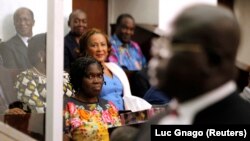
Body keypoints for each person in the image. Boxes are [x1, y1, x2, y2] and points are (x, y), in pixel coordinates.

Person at [136, 4, 250, 140]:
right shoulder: (156, 122)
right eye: (160, 43)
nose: (158, 54)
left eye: (171, 46)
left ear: (212, 61)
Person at [79, 28, 151, 112]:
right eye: (94, 45)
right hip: (102, 119)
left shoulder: (114, 67)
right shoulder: (83, 71)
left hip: (125, 116)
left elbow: (127, 97)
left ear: (108, 47)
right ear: (85, 49)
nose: (100, 49)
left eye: (103, 44)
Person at [63, 57, 121, 141]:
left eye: (99, 76)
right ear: (79, 79)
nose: (96, 81)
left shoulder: (110, 106)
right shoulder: (67, 107)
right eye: (90, 76)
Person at [15, 33, 73, 113]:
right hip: (42, 123)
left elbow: (74, 102)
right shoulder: (26, 78)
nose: (59, 54)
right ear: (41, 54)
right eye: (54, 50)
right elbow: (37, 109)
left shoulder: (63, 75)